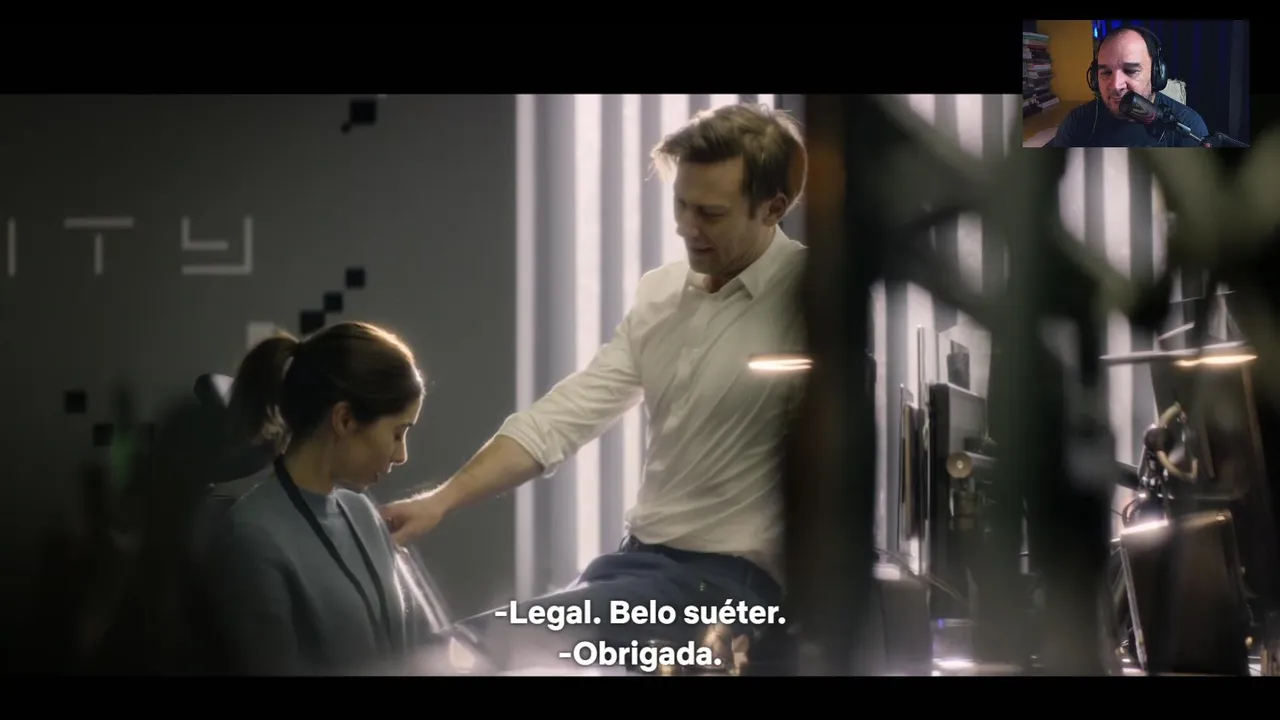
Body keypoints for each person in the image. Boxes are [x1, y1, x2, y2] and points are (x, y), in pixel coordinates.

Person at [381, 102, 808, 669]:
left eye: (709, 213)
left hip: (728, 592)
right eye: (681, 204)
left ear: (773, 208)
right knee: (482, 651)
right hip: (636, 569)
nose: (685, 227)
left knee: (476, 650)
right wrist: (440, 501)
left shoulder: (810, 302)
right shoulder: (661, 294)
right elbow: (566, 415)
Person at [206, 321, 433, 675]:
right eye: (397, 433)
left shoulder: (362, 513)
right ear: (344, 419)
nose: (401, 455)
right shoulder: (252, 538)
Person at [1048, 26, 1208, 148]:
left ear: (1156, 75)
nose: (1115, 85)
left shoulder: (1189, 128)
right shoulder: (1076, 123)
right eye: (1106, 72)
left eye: (1130, 71)